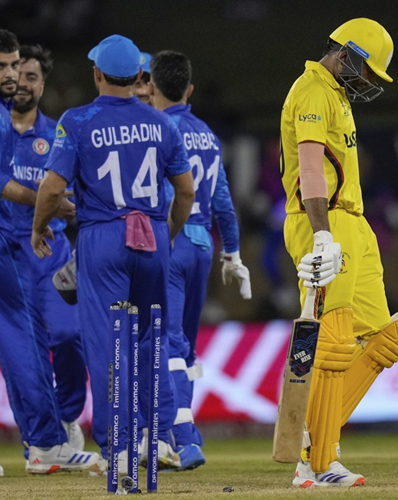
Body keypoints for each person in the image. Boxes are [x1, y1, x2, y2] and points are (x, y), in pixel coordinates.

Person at [31, 34, 195, 474]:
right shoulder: (162, 123)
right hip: (152, 237)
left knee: (108, 347)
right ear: (140, 76)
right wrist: (167, 234)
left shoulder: (77, 120)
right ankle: (156, 439)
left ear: (97, 74)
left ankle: (118, 449)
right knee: (151, 341)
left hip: (103, 238)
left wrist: (39, 227)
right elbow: (185, 191)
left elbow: (52, 188)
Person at [0, 29, 98, 474]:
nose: (13, 75)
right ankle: (46, 443)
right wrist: (44, 202)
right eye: (2, 66)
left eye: (16, 66)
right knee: (22, 339)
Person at [279, 18, 398, 487]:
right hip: (323, 220)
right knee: (335, 341)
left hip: (354, 223)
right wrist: (322, 235)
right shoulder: (312, 90)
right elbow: (310, 169)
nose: (369, 81)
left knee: (385, 338)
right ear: (346, 54)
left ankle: (311, 439)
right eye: (367, 70)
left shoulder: (335, 93)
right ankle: (318, 462)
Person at [149, 50, 251, 471]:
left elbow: (162, 192)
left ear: (151, 87)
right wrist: (233, 252)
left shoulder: (157, 128)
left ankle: (182, 436)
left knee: (167, 341)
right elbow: (222, 198)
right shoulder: (207, 134)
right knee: (185, 347)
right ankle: (176, 434)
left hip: (172, 240)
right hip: (203, 247)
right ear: (189, 90)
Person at [10, 44, 87, 450]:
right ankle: (38, 436)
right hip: (4, 253)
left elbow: (75, 195)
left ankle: (68, 415)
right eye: (18, 75)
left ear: (43, 85)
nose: (23, 83)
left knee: (68, 334)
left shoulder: (60, 134)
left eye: (32, 77)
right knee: (24, 351)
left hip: (52, 250)